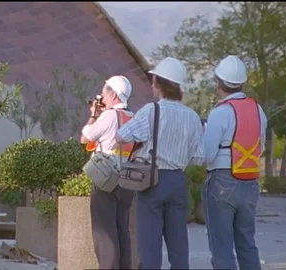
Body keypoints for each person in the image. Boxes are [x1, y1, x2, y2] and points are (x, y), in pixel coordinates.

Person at [115, 57, 204, 269]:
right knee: (178, 242)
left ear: (160, 84)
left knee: (149, 244)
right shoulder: (192, 116)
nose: (152, 85)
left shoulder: (151, 111)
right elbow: (200, 157)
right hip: (178, 180)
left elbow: (121, 136)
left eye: (153, 81)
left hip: (152, 180)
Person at [202, 55, 268, 270]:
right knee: (247, 244)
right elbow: (262, 147)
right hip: (250, 183)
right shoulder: (258, 110)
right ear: (242, 82)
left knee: (222, 248)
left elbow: (207, 154)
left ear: (218, 83)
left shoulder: (220, 112)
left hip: (222, 181)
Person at [80, 75, 136, 269]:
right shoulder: (132, 116)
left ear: (113, 95)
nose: (101, 96)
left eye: (104, 92)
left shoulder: (110, 115)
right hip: (128, 179)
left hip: (106, 177)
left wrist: (94, 114)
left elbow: (85, 138)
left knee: (104, 231)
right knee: (122, 229)